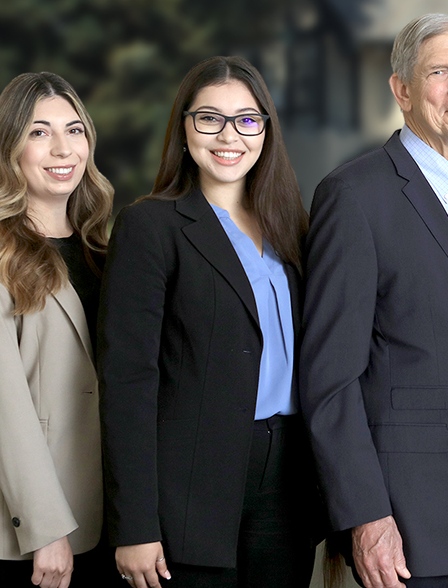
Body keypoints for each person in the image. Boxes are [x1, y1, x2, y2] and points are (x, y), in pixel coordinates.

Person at [299, 13, 448, 588]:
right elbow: (329, 379)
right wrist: (365, 516)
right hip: (411, 524)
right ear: (401, 89)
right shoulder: (354, 195)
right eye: (440, 72)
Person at [98, 56, 314, 588]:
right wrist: (136, 525)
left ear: (265, 129)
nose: (229, 136)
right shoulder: (151, 226)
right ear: (184, 126)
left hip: (287, 479)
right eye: (209, 118)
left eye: (246, 119)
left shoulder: (292, 228)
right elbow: (127, 382)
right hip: (189, 487)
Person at [0, 72, 116, 587]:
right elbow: (2, 402)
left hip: (110, 514)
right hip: (37, 532)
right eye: (39, 132)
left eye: (75, 130)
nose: (63, 147)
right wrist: (46, 529)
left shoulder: (105, 252)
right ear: (9, 147)